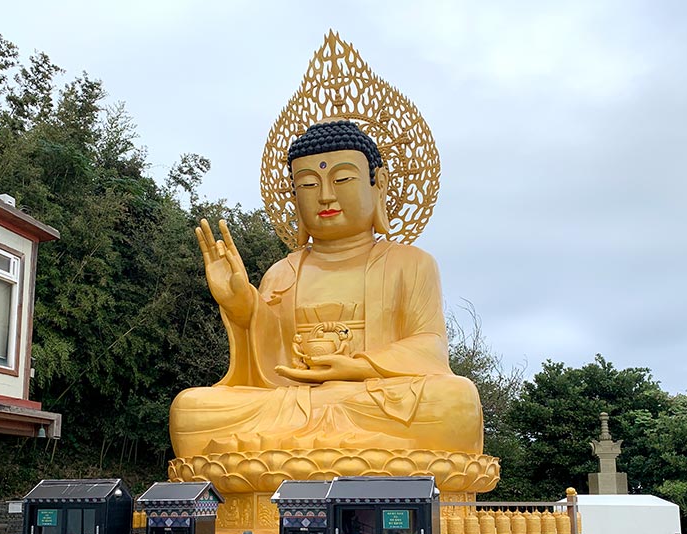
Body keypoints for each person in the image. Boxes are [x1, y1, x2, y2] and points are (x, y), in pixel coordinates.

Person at [170, 119, 483, 458]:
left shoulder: (410, 263)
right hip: (290, 401)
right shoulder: (282, 272)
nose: (326, 195)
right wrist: (241, 305)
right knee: (191, 409)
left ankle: (291, 449)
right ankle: (354, 448)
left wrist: (354, 368)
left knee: (456, 400)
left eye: (343, 178)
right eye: (307, 184)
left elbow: (431, 347)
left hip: (375, 397)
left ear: (379, 184)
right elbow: (265, 366)